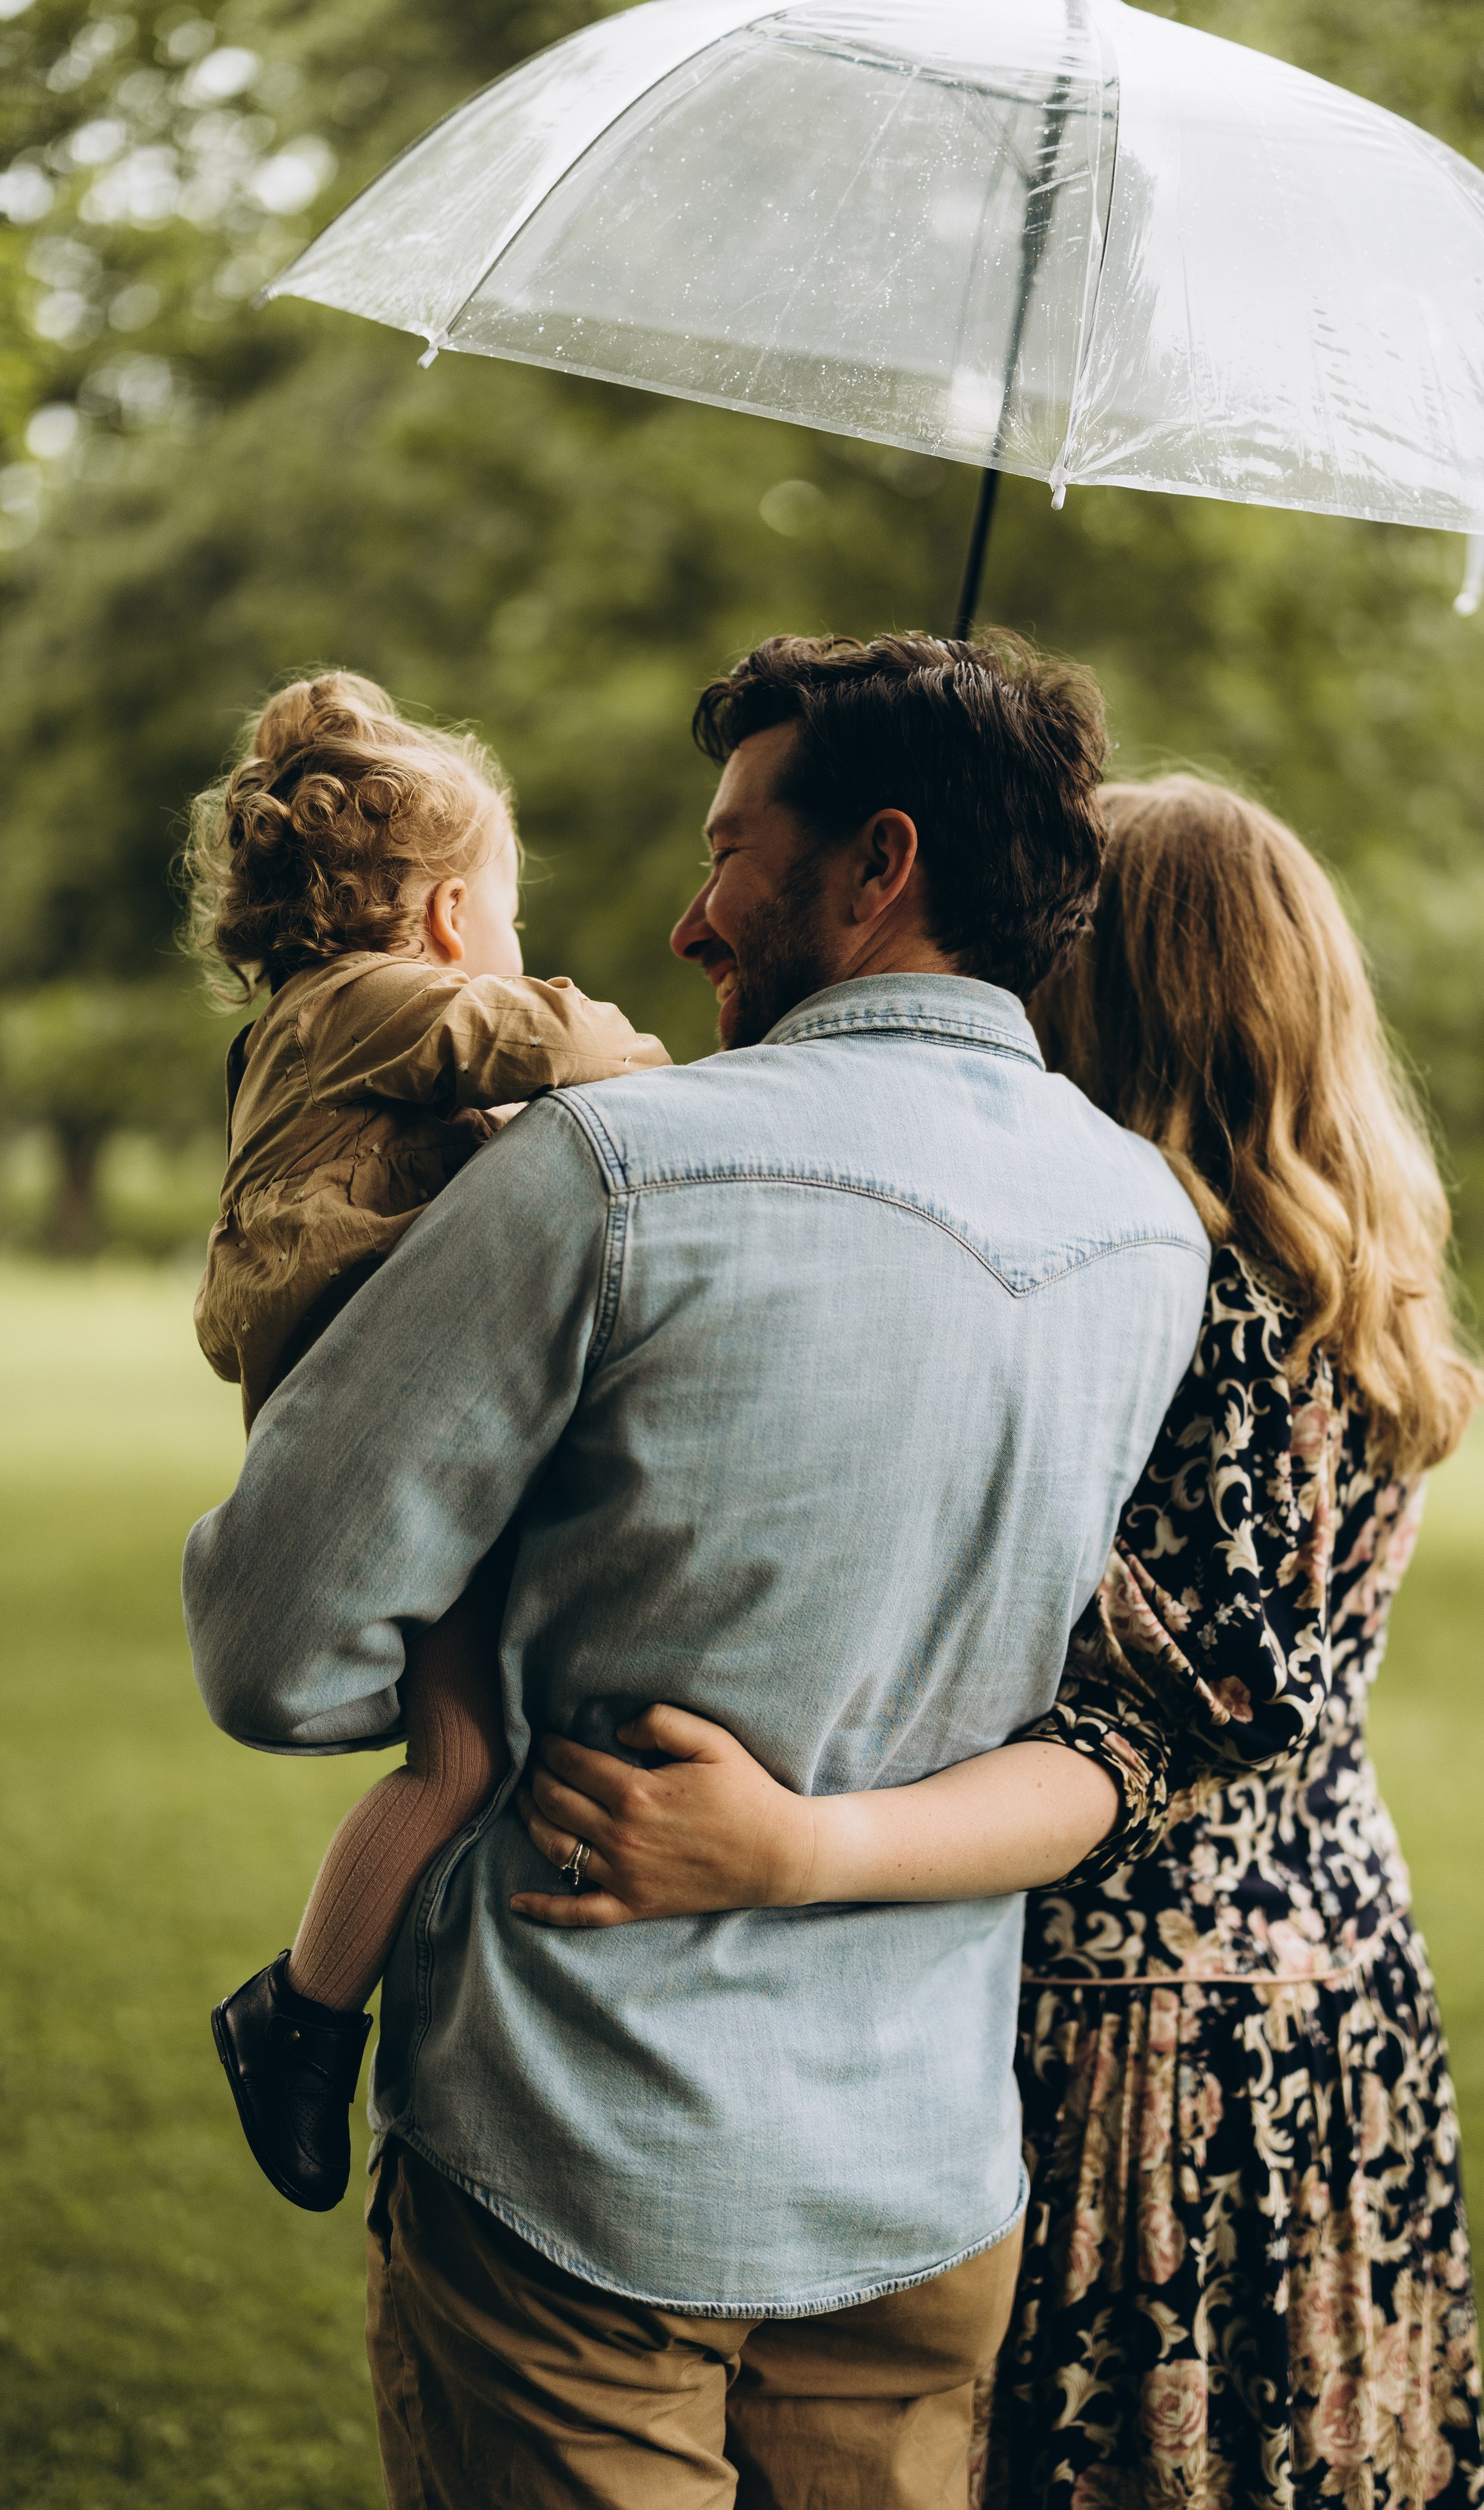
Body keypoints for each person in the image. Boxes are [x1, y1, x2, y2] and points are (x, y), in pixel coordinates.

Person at [181, 631, 1212, 2510]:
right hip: (918, 2178)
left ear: (880, 862)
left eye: (733, 848)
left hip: (572, 2161)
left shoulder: (603, 1172)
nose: (685, 916)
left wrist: (458, 1689)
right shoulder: (1149, 1224)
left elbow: (273, 1652)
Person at [512, 773, 1484, 2507]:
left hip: (1120, 2028)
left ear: (1092, 983)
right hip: (1338, 1977)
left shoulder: (1166, 1305)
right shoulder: (1364, 1292)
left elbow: (1128, 1715)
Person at [184, 671, 668, 2212]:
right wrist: (682, 1087)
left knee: (462, 1752)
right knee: (461, 1759)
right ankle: (308, 2018)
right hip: (392, 1445)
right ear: (452, 919)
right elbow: (563, 1043)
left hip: (389, 1433)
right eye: (510, 918)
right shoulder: (373, 1009)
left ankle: (306, 2019)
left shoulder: (319, 1032)